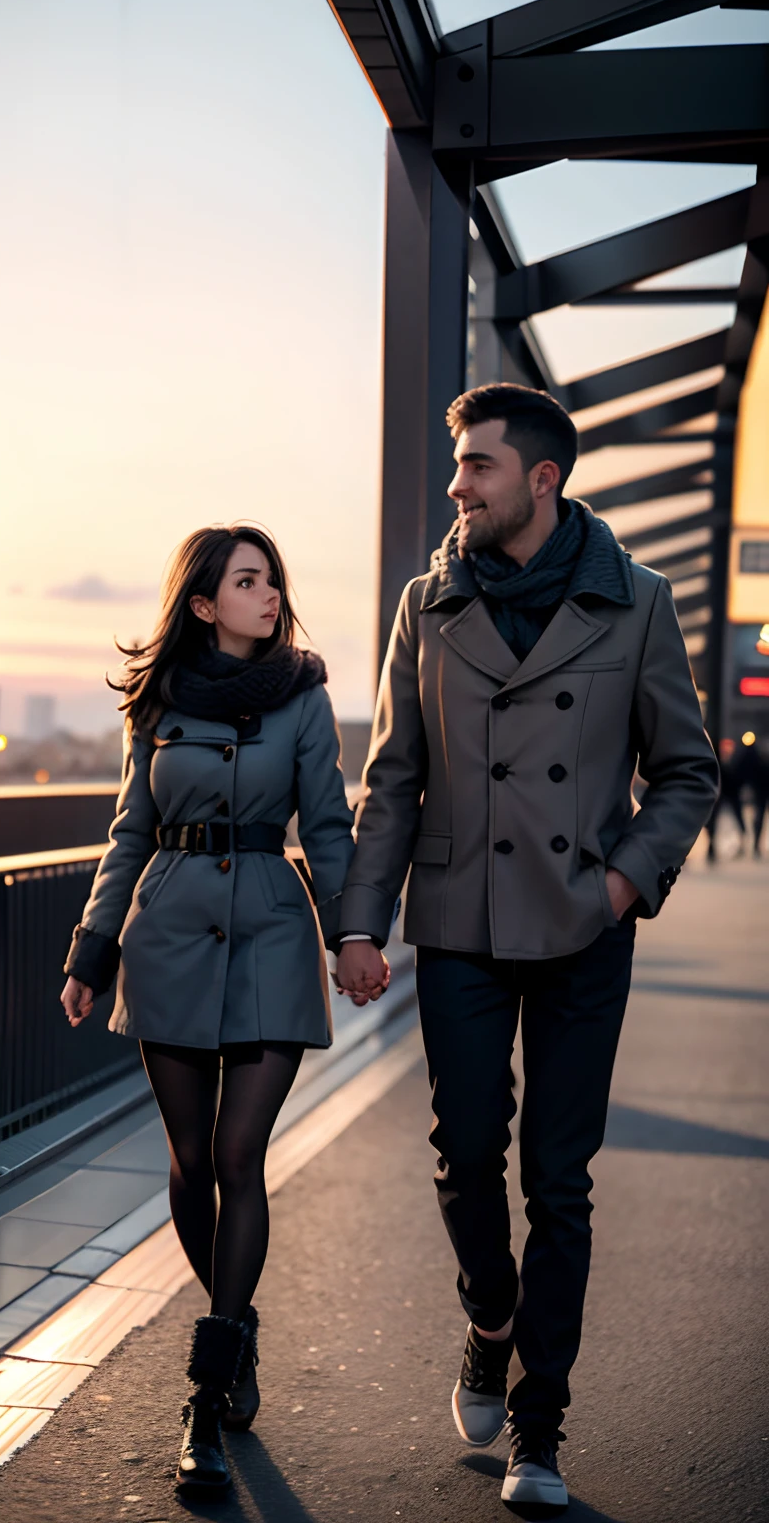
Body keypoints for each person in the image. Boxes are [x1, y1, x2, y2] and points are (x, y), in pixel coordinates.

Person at [334, 384, 719, 1511]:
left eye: (477, 467)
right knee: (463, 1147)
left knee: (559, 1177)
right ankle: (488, 1316)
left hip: (580, 927)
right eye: (455, 466)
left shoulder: (636, 602)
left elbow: (685, 771)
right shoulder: (428, 603)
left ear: (541, 480)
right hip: (458, 923)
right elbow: (393, 779)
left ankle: (539, 1426)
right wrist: (361, 920)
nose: (456, 486)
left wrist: (620, 880)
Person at [60, 523, 360, 1499]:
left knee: (240, 1157)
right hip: (170, 935)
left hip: (273, 931)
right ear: (203, 604)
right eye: (246, 581)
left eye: (272, 579)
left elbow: (328, 821)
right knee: (191, 1167)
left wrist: (351, 934)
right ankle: (238, 1325)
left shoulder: (305, 696)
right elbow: (127, 829)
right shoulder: (154, 703)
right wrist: (90, 951)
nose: (268, 594)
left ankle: (204, 1393)